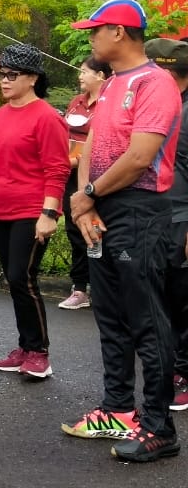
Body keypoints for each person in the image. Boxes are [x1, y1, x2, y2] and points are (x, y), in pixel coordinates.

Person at [62, 0, 181, 462]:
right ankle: (117, 410)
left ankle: (159, 428)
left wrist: (89, 193)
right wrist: (82, 200)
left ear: (118, 33)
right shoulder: (112, 84)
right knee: (110, 316)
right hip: (102, 205)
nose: (89, 38)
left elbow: (138, 158)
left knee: (148, 322)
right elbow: (93, 141)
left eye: (95, 30)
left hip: (139, 209)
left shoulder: (156, 83)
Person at [0, 44, 70, 379]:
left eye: (12, 75)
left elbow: (57, 170)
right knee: (14, 279)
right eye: (1, 74)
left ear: (33, 78)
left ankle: (38, 352)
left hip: (32, 211)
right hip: (1, 211)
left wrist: (49, 214)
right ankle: (25, 345)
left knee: (23, 277)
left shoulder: (48, 118)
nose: (4, 81)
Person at [144, 38, 188, 413]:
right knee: (166, 300)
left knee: (182, 301)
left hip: (182, 219)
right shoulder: (164, 108)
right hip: (158, 215)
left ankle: (183, 373)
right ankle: (172, 368)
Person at [59, 56, 113, 310]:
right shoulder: (76, 102)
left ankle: (105, 287)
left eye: (85, 72)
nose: (80, 76)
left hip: (99, 175)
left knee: (100, 229)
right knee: (75, 227)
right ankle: (80, 288)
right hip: (71, 175)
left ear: (101, 75)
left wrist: (80, 159)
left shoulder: (109, 103)